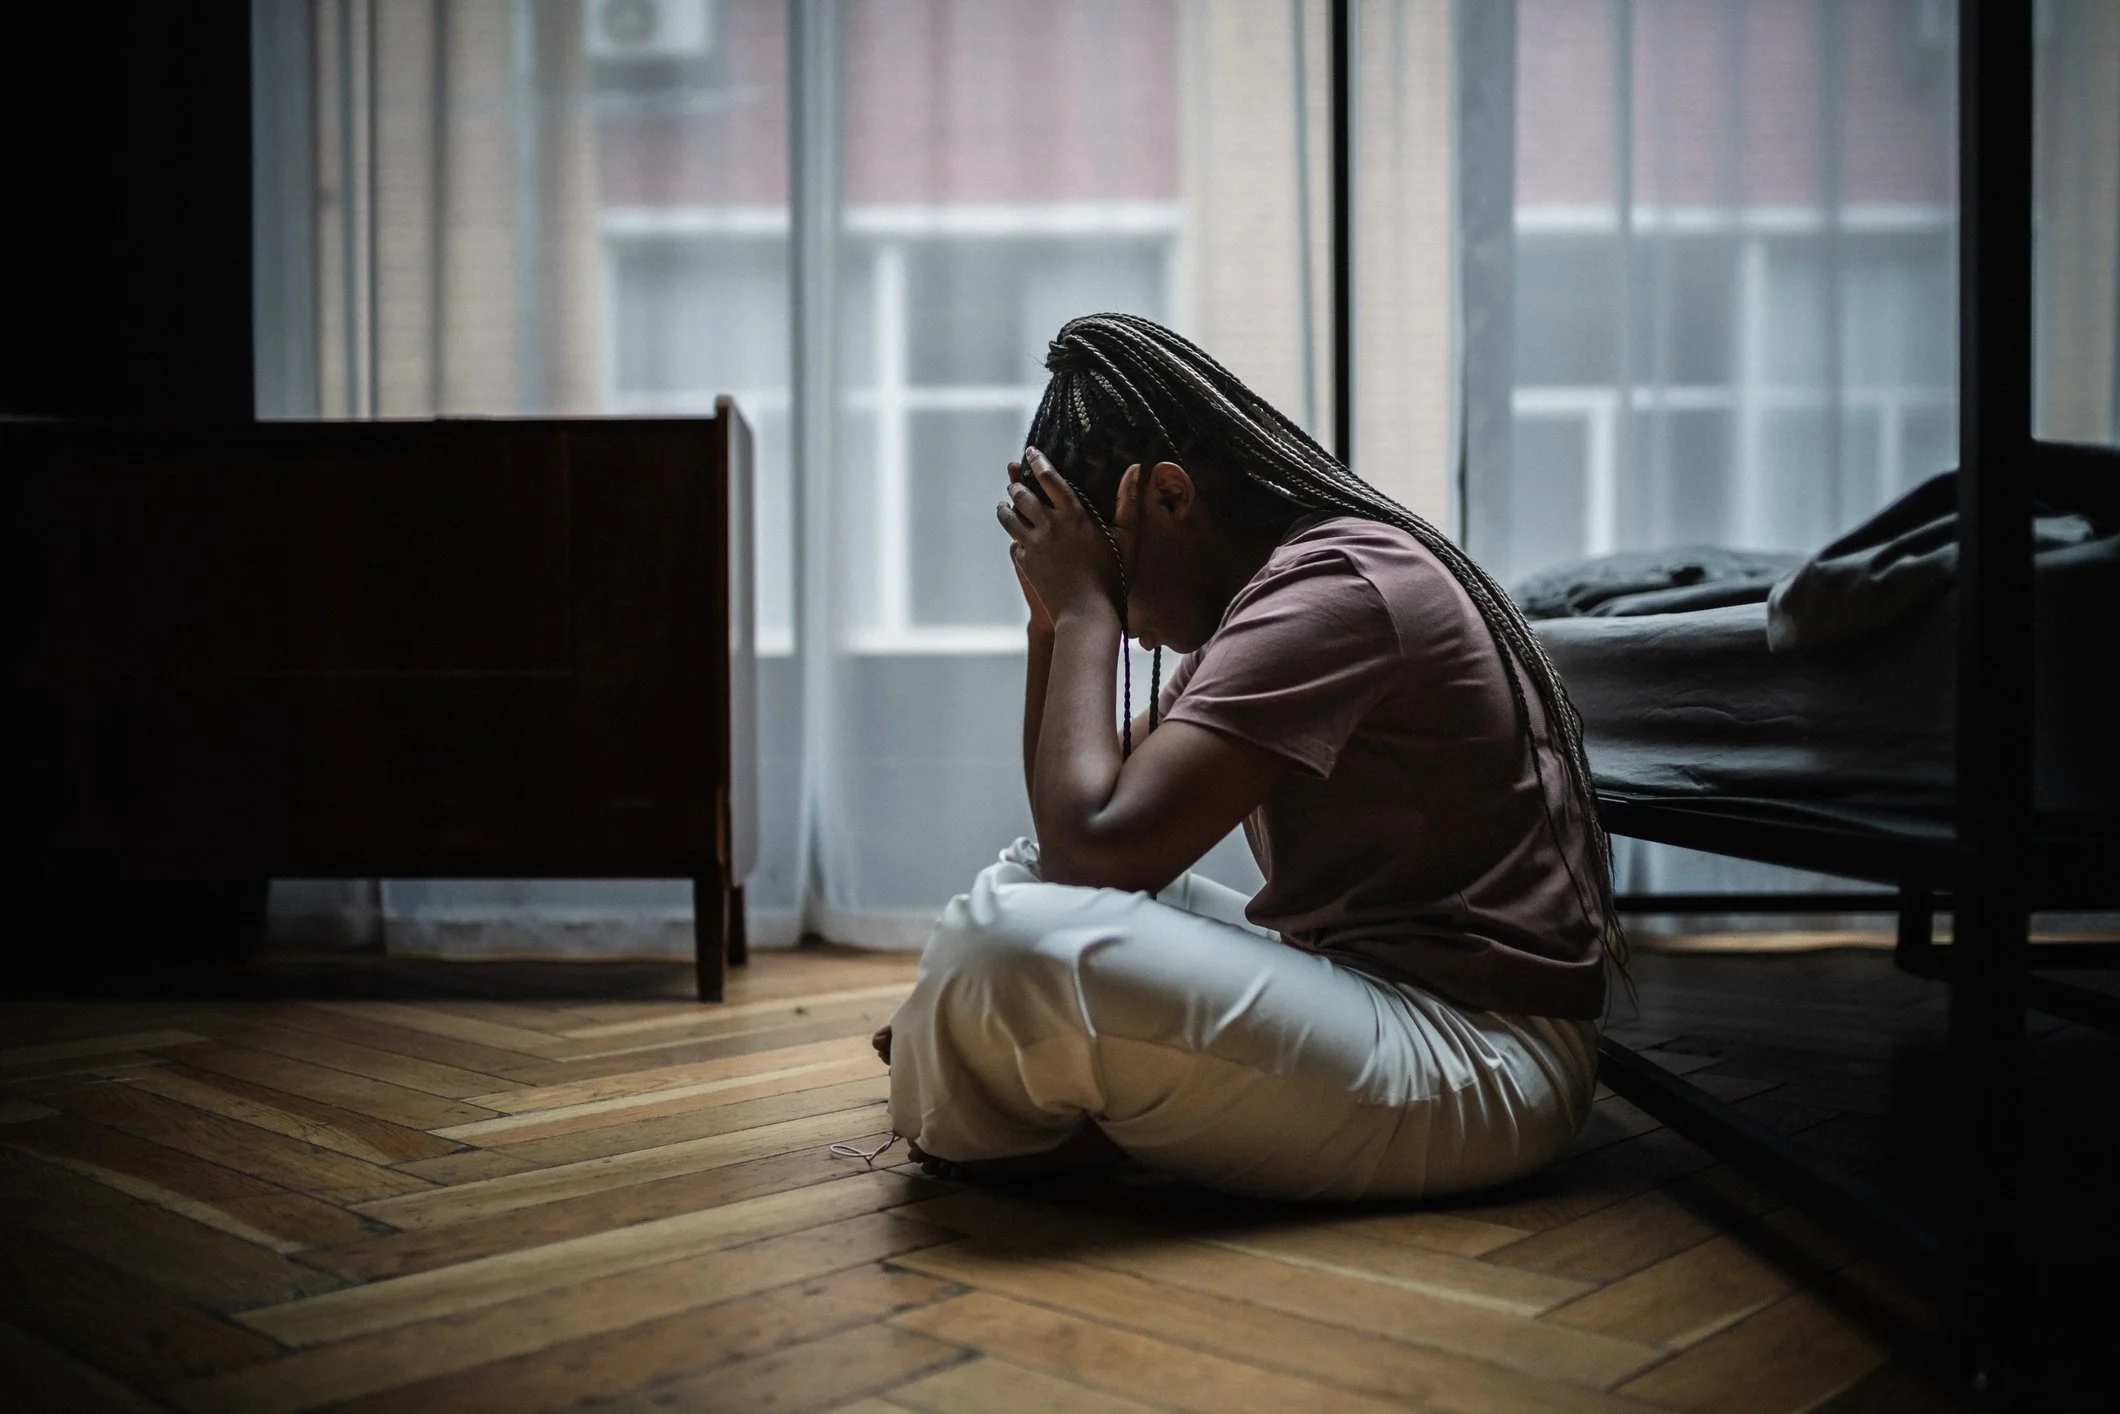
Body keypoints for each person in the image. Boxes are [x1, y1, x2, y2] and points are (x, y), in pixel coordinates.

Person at [872, 313, 1622, 1200]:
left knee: (1011, 950)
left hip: (1482, 1057)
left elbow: (1101, 844)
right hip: (1371, 992)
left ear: (1172, 501)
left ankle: (1001, 1093)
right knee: (1028, 882)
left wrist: (1083, 615)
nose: (1127, 615)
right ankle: (1016, 1080)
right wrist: (1053, 617)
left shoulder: (1340, 588)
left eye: (1112, 569)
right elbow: (1075, 825)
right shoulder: (1278, 592)